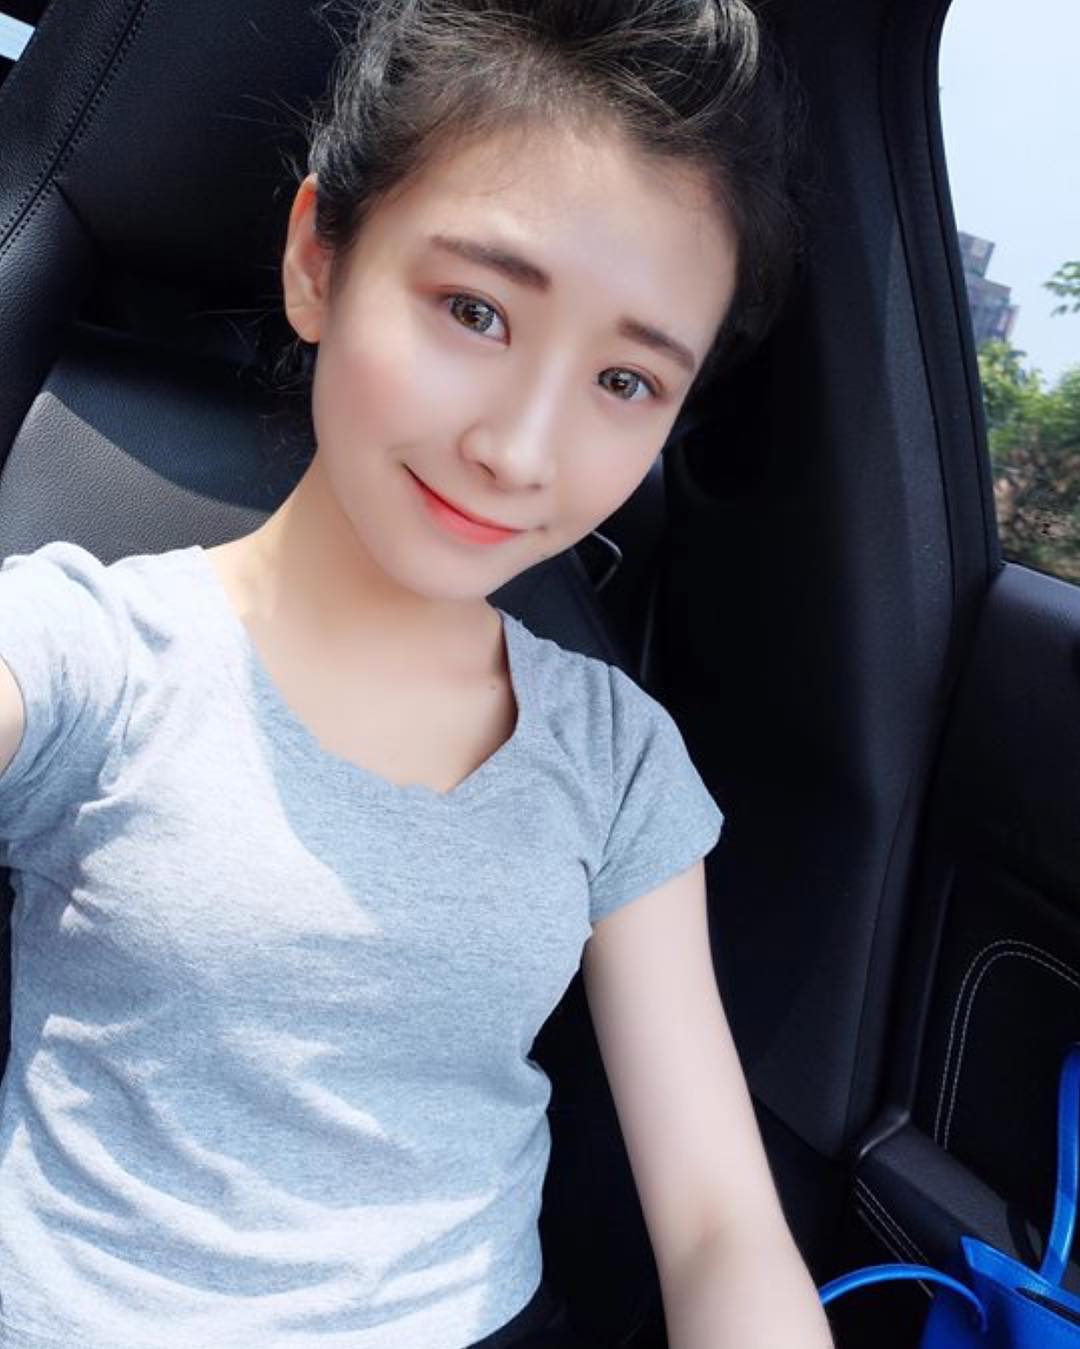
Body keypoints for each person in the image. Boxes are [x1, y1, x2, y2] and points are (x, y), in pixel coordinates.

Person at [0, 1, 833, 1345]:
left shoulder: (615, 758)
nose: (521, 449)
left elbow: (719, 1223)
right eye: (475, 310)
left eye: (626, 382)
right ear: (317, 261)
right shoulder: (94, 650)